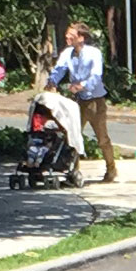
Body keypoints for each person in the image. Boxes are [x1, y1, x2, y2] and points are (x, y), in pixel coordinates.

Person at [47, 22, 117, 181]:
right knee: (72, 135)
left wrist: (82, 86)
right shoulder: (67, 53)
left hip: (95, 100)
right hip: (76, 101)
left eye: (71, 35)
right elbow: (59, 70)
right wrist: (51, 82)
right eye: (67, 34)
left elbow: (96, 75)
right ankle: (73, 170)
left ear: (81, 38)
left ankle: (111, 169)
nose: (67, 37)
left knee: (102, 138)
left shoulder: (93, 53)